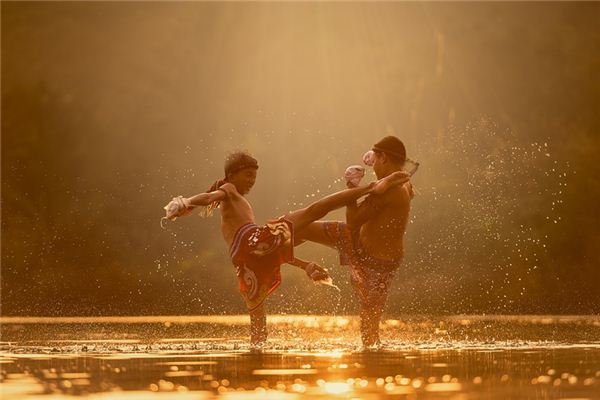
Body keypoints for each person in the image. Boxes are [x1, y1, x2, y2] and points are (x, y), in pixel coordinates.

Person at [163, 151, 410, 347]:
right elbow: (207, 198)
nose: (251, 181)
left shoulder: (228, 201)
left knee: (258, 327)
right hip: (253, 239)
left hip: (244, 260)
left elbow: (268, 253)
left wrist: (305, 266)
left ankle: (256, 360)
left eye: (254, 177)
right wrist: (185, 201)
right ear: (232, 175)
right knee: (314, 211)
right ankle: (369, 187)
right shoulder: (227, 189)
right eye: (248, 175)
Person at [295, 136, 414, 348]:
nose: (373, 165)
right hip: (358, 241)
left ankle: (374, 369)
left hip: (376, 265)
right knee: (301, 228)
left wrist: (351, 188)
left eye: (375, 160)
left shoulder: (392, 189)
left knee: (369, 337)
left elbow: (352, 220)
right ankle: (273, 250)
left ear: (384, 158)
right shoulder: (403, 182)